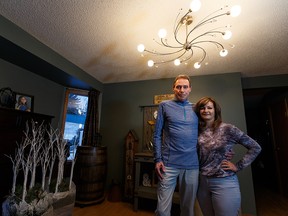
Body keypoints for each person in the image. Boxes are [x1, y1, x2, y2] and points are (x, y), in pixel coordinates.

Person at [194, 96, 262, 216]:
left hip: (223, 181)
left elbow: (255, 147)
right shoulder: (196, 131)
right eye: (202, 108)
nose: (206, 110)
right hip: (202, 183)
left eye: (209, 107)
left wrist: (238, 166)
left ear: (216, 111)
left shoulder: (228, 129)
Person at [153, 74, 199, 216]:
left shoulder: (197, 108)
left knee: (188, 209)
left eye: (185, 87)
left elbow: (207, 134)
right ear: (173, 88)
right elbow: (157, 135)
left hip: (192, 165)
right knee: (162, 210)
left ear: (190, 89)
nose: (182, 90)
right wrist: (158, 159)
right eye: (178, 87)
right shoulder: (164, 106)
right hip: (169, 164)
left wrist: (223, 151)